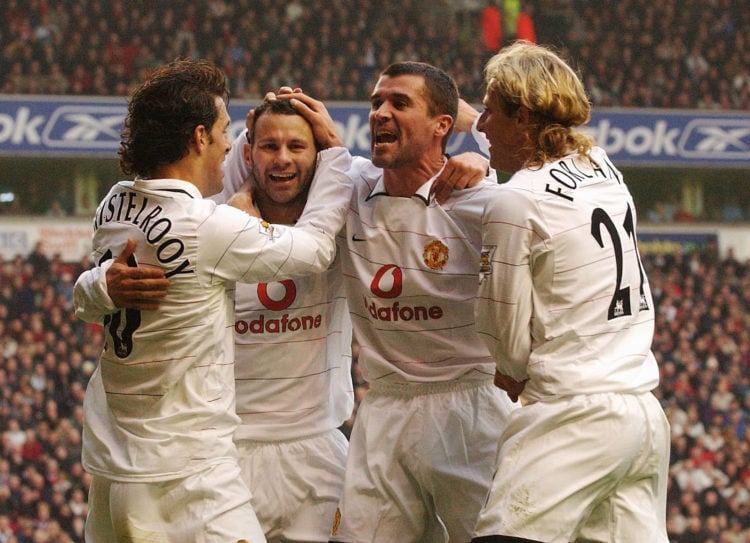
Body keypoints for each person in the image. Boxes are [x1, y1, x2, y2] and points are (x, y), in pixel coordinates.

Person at [72, 58, 353, 543]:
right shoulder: (209, 225)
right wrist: (337, 158)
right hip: (185, 472)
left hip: (114, 466)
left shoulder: (114, 203)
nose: (231, 146)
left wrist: (96, 286)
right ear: (200, 137)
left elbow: (92, 295)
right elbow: (314, 249)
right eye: (227, 133)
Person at [287, 61, 515, 543]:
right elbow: (263, 158)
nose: (380, 113)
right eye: (376, 103)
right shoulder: (346, 187)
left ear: (442, 126)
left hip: (471, 406)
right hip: (385, 408)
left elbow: (555, 163)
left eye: (399, 103)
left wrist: (485, 150)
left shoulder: (482, 202)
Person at [471, 41, 670, 542]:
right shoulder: (605, 168)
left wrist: (512, 370)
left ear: (522, 117)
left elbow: (505, 326)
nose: (479, 125)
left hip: (572, 415)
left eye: (490, 112)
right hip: (641, 414)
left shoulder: (515, 201)